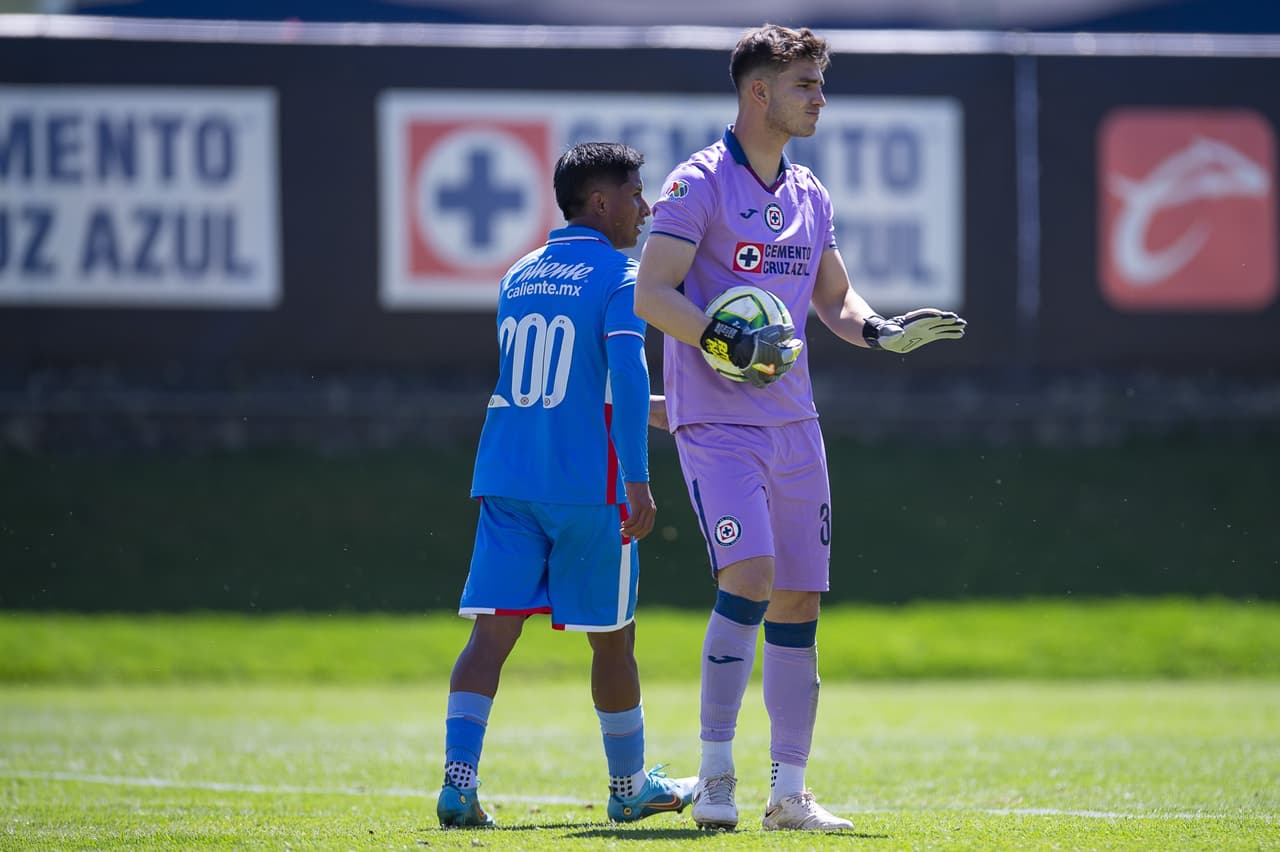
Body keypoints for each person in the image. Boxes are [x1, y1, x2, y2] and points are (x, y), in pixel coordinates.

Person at [634, 24, 966, 832]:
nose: (820, 98)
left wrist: (879, 331)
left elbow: (834, 302)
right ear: (759, 92)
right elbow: (652, 292)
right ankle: (715, 776)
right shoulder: (699, 183)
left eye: (820, 83)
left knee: (798, 600)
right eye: (806, 85)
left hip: (795, 428)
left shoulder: (811, 194)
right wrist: (722, 336)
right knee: (746, 580)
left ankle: (789, 794)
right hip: (714, 424)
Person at [437, 142, 695, 828]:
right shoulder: (621, 275)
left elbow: (570, 384)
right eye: (635, 194)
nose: (646, 208)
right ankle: (628, 787)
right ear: (601, 202)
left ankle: (458, 785)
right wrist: (637, 480)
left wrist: (667, 414)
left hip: (508, 476)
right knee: (613, 640)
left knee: (489, 639)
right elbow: (627, 372)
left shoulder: (519, 273)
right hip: (588, 488)